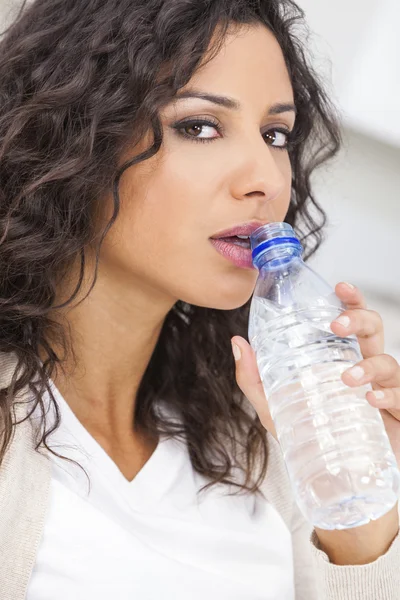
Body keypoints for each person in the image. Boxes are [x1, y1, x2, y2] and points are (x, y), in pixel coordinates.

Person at [0, 0, 399, 598]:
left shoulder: (251, 443)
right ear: (74, 136)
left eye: (275, 134)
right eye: (200, 126)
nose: (264, 177)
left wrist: (355, 496)